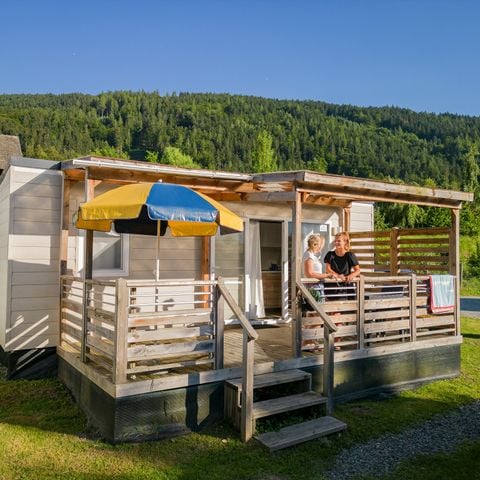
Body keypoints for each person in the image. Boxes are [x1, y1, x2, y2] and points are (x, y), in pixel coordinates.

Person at [324, 231, 361, 300]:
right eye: (335, 241)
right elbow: (327, 269)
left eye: (338, 241)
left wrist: (352, 275)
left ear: (345, 242)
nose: (336, 242)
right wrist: (338, 276)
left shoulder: (350, 255)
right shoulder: (330, 254)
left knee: (349, 306)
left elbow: (358, 270)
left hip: (347, 286)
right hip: (332, 286)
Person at [302, 234, 332, 307]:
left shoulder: (312, 255)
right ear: (315, 244)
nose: (322, 247)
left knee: (320, 308)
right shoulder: (309, 255)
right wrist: (327, 275)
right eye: (321, 245)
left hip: (317, 286)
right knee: (317, 309)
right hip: (313, 287)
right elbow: (310, 274)